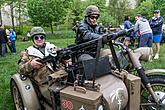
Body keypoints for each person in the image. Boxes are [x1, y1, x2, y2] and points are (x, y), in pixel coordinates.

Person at [18, 27, 68, 102]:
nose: (39, 39)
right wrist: (30, 65)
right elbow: (20, 69)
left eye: (41, 37)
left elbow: (63, 56)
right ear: (32, 39)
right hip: (45, 82)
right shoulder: (28, 53)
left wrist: (68, 61)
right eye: (36, 37)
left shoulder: (52, 48)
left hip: (62, 75)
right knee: (58, 100)